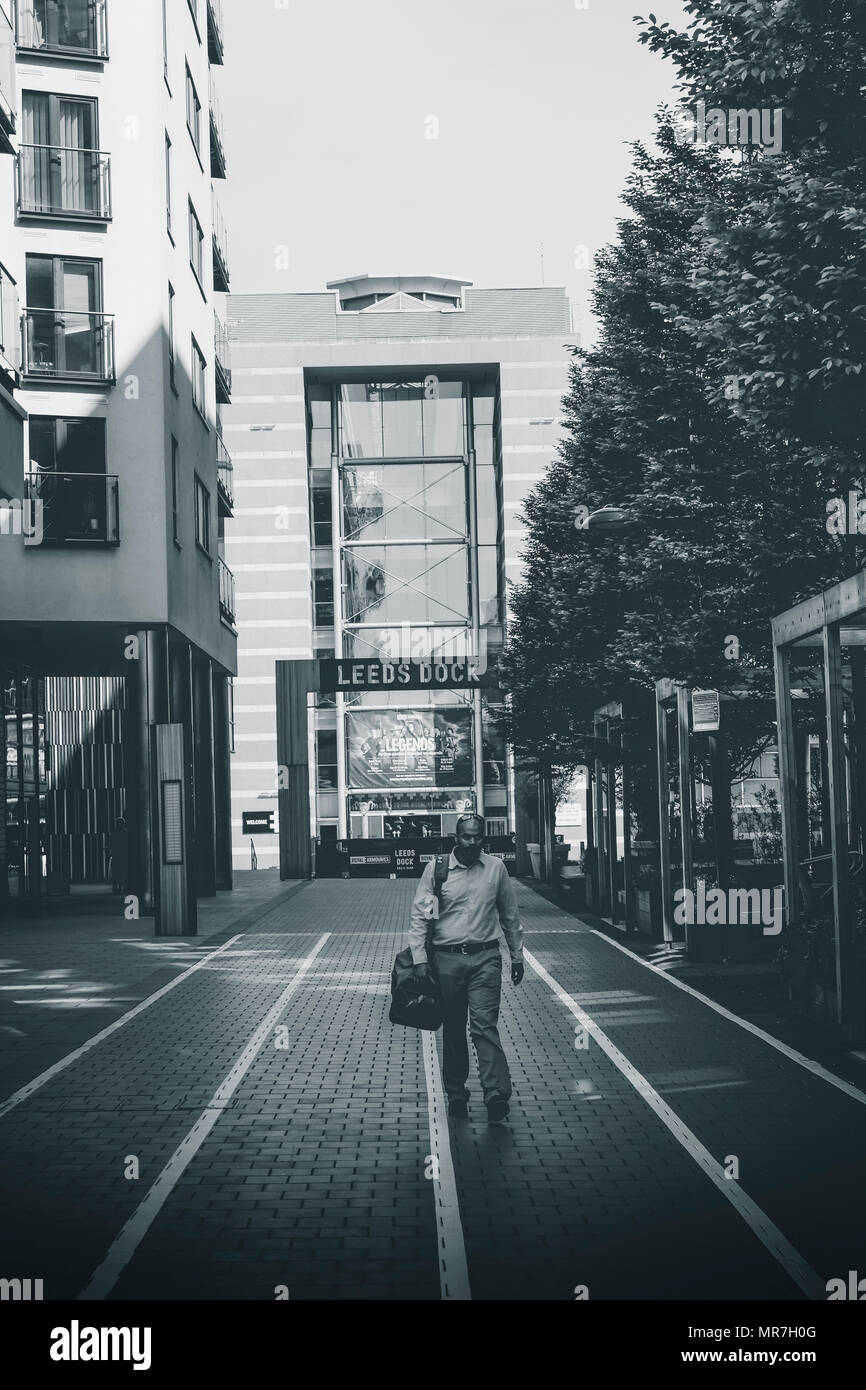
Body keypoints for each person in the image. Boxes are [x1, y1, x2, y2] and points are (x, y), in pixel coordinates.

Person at [408, 812, 524, 1122]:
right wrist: (420, 960)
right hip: (446, 960)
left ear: (483, 837)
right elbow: (422, 917)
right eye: (465, 836)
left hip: (486, 957)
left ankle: (495, 1093)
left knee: (484, 1026)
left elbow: (509, 915)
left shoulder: (496, 869)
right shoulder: (438, 871)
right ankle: (457, 1092)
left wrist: (517, 955)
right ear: (455, 838)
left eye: (476, 836)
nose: (471, 842)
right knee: (455, 1028)